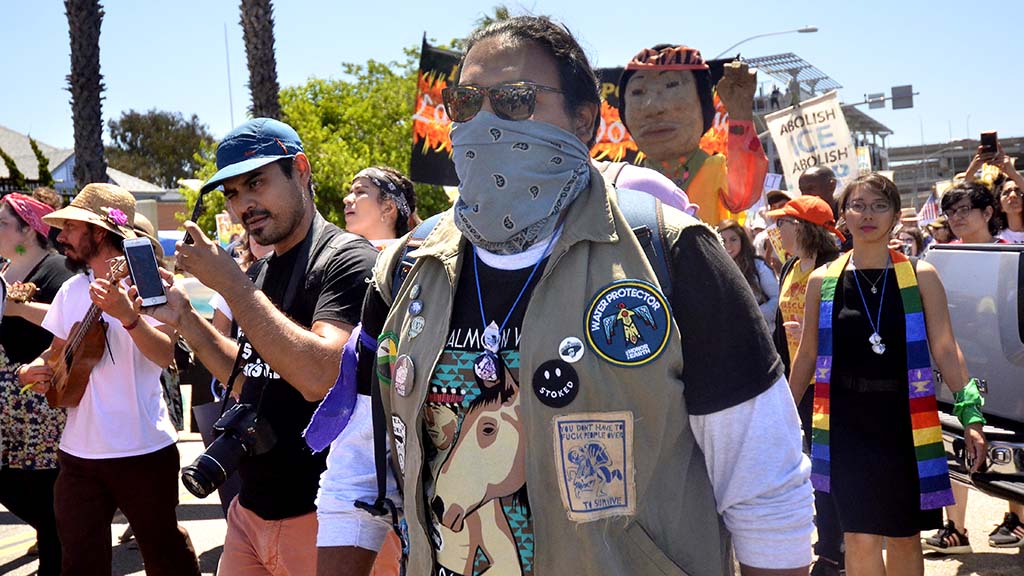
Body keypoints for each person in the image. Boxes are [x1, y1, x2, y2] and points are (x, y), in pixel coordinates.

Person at [331, 16, 813, 575]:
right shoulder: (406, 272)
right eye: (465, 102)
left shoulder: (674, 255)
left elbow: (767, 494)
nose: (483, 122)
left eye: (513, 100)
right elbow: (357, 480)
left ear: (583, 120)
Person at [144, 117, 379, 576]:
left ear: (301, 170)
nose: (243, 204)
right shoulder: (260, 276)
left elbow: (322, 378)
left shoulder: (349, 259)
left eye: (256, 182)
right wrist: (186, 320)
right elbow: (250, 379)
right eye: (232, 193)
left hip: (325, 520)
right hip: (249, 513)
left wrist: (232, 285)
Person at [788, 173, 987, 575]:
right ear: (843, 214)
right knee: (858, 535)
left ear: (896, 216)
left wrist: (971, 415)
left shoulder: (920, 276)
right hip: (845, 425)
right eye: (858, 205)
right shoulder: (822, 281)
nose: (868, 214)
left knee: (903, 535)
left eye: (880, 206)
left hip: (905, 423)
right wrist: (783, 417)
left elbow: (946, 349)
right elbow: (806, 355)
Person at [16, 183, 200, 575]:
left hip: (143, 450)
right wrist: (30, 369)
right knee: (80, 562)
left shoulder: (154, 287)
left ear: (99, 232)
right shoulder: (71, 289)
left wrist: (127, 315)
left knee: (165, 555)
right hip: (78, 455)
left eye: (71, 228)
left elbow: (164, 355)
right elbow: (55, 352)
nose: (60, 236)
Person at [765, 195, 844, 575]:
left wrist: (813, 333)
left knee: (828, 469)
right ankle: (831, 539)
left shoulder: (836, 269)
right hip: (798, 381)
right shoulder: (790, 268)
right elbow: (783, 331)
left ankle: (834, 552)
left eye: (783, 223)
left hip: (830, 385)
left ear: (803, 228)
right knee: (814, 469)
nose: (777, 231)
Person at [618, 43, 769, 226]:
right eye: (638, 92)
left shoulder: (716, 169)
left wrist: (740, 113)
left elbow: (744, 192)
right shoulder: (625, 181)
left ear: (703, 104)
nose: (653, 107)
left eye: (672, 85)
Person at [0, 193, 72, 575]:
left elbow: (71, 316)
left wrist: (16, 307)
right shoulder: (4, 269)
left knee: (45, 494)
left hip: (39, 408)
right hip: (8, 408)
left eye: (3, 223)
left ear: (28, 230)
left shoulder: (54, 269)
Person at [717, 219, 778, 328]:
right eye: (723, 240)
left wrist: (754, 315)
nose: (728, 245)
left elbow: (777, 298)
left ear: (742, 240)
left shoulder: (758, 266)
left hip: (758, 332)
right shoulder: (714, 268)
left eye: (733, 239)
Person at [343, 166, 419, 249]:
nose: (346, 199)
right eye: (351, 192)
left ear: (388, 208)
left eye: (360, 192)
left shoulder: (411, 259)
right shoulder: (337, 255)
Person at [996, 171, 1024, 244]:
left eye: (1018, 191)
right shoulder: (996, 238)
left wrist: (1011, 171)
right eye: (1006, 193)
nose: (1012, 195)